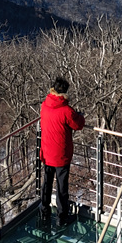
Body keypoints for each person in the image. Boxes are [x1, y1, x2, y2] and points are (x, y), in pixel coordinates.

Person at [40, 77, 85, 226]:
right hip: (61, 155)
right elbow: (78, 125)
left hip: (47, 152)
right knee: (61, 187)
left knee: (47, 183)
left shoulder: (44, 105)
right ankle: (61, 217)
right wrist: (80, 116)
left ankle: (44, 212)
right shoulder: (66, 110)